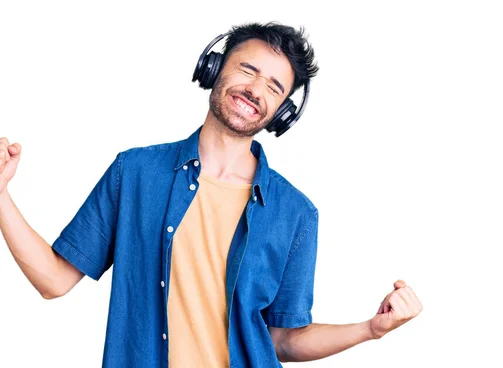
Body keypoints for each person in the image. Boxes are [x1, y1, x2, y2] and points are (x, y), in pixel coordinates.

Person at [0, 22, 423, 367]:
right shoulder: (135, 173)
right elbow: (53, 280)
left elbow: (283, 341)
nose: (256, 90)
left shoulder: (295, 213)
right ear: (214, 68)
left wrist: (370, 329)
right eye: (247, 69)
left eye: (275, 87)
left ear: (283, 112)